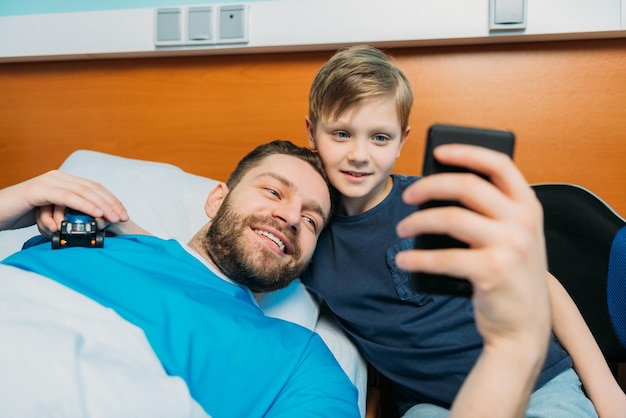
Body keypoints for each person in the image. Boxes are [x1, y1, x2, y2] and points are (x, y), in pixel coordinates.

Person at [301, 45, 626, 417]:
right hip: (431, 406)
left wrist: (609, 393)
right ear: (312, 132)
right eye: (341, 134)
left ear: (402, 141)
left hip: (536, 384)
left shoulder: (440, 199)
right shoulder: (307, 235)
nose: (359, 154)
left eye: (379, 138)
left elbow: (542, 286)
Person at [0, 140, 360, 417]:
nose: (292, 217)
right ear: (218, 199)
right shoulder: (96, 237)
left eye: (311, 220)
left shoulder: (299, 358)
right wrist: (15, 199)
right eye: (272, 192)